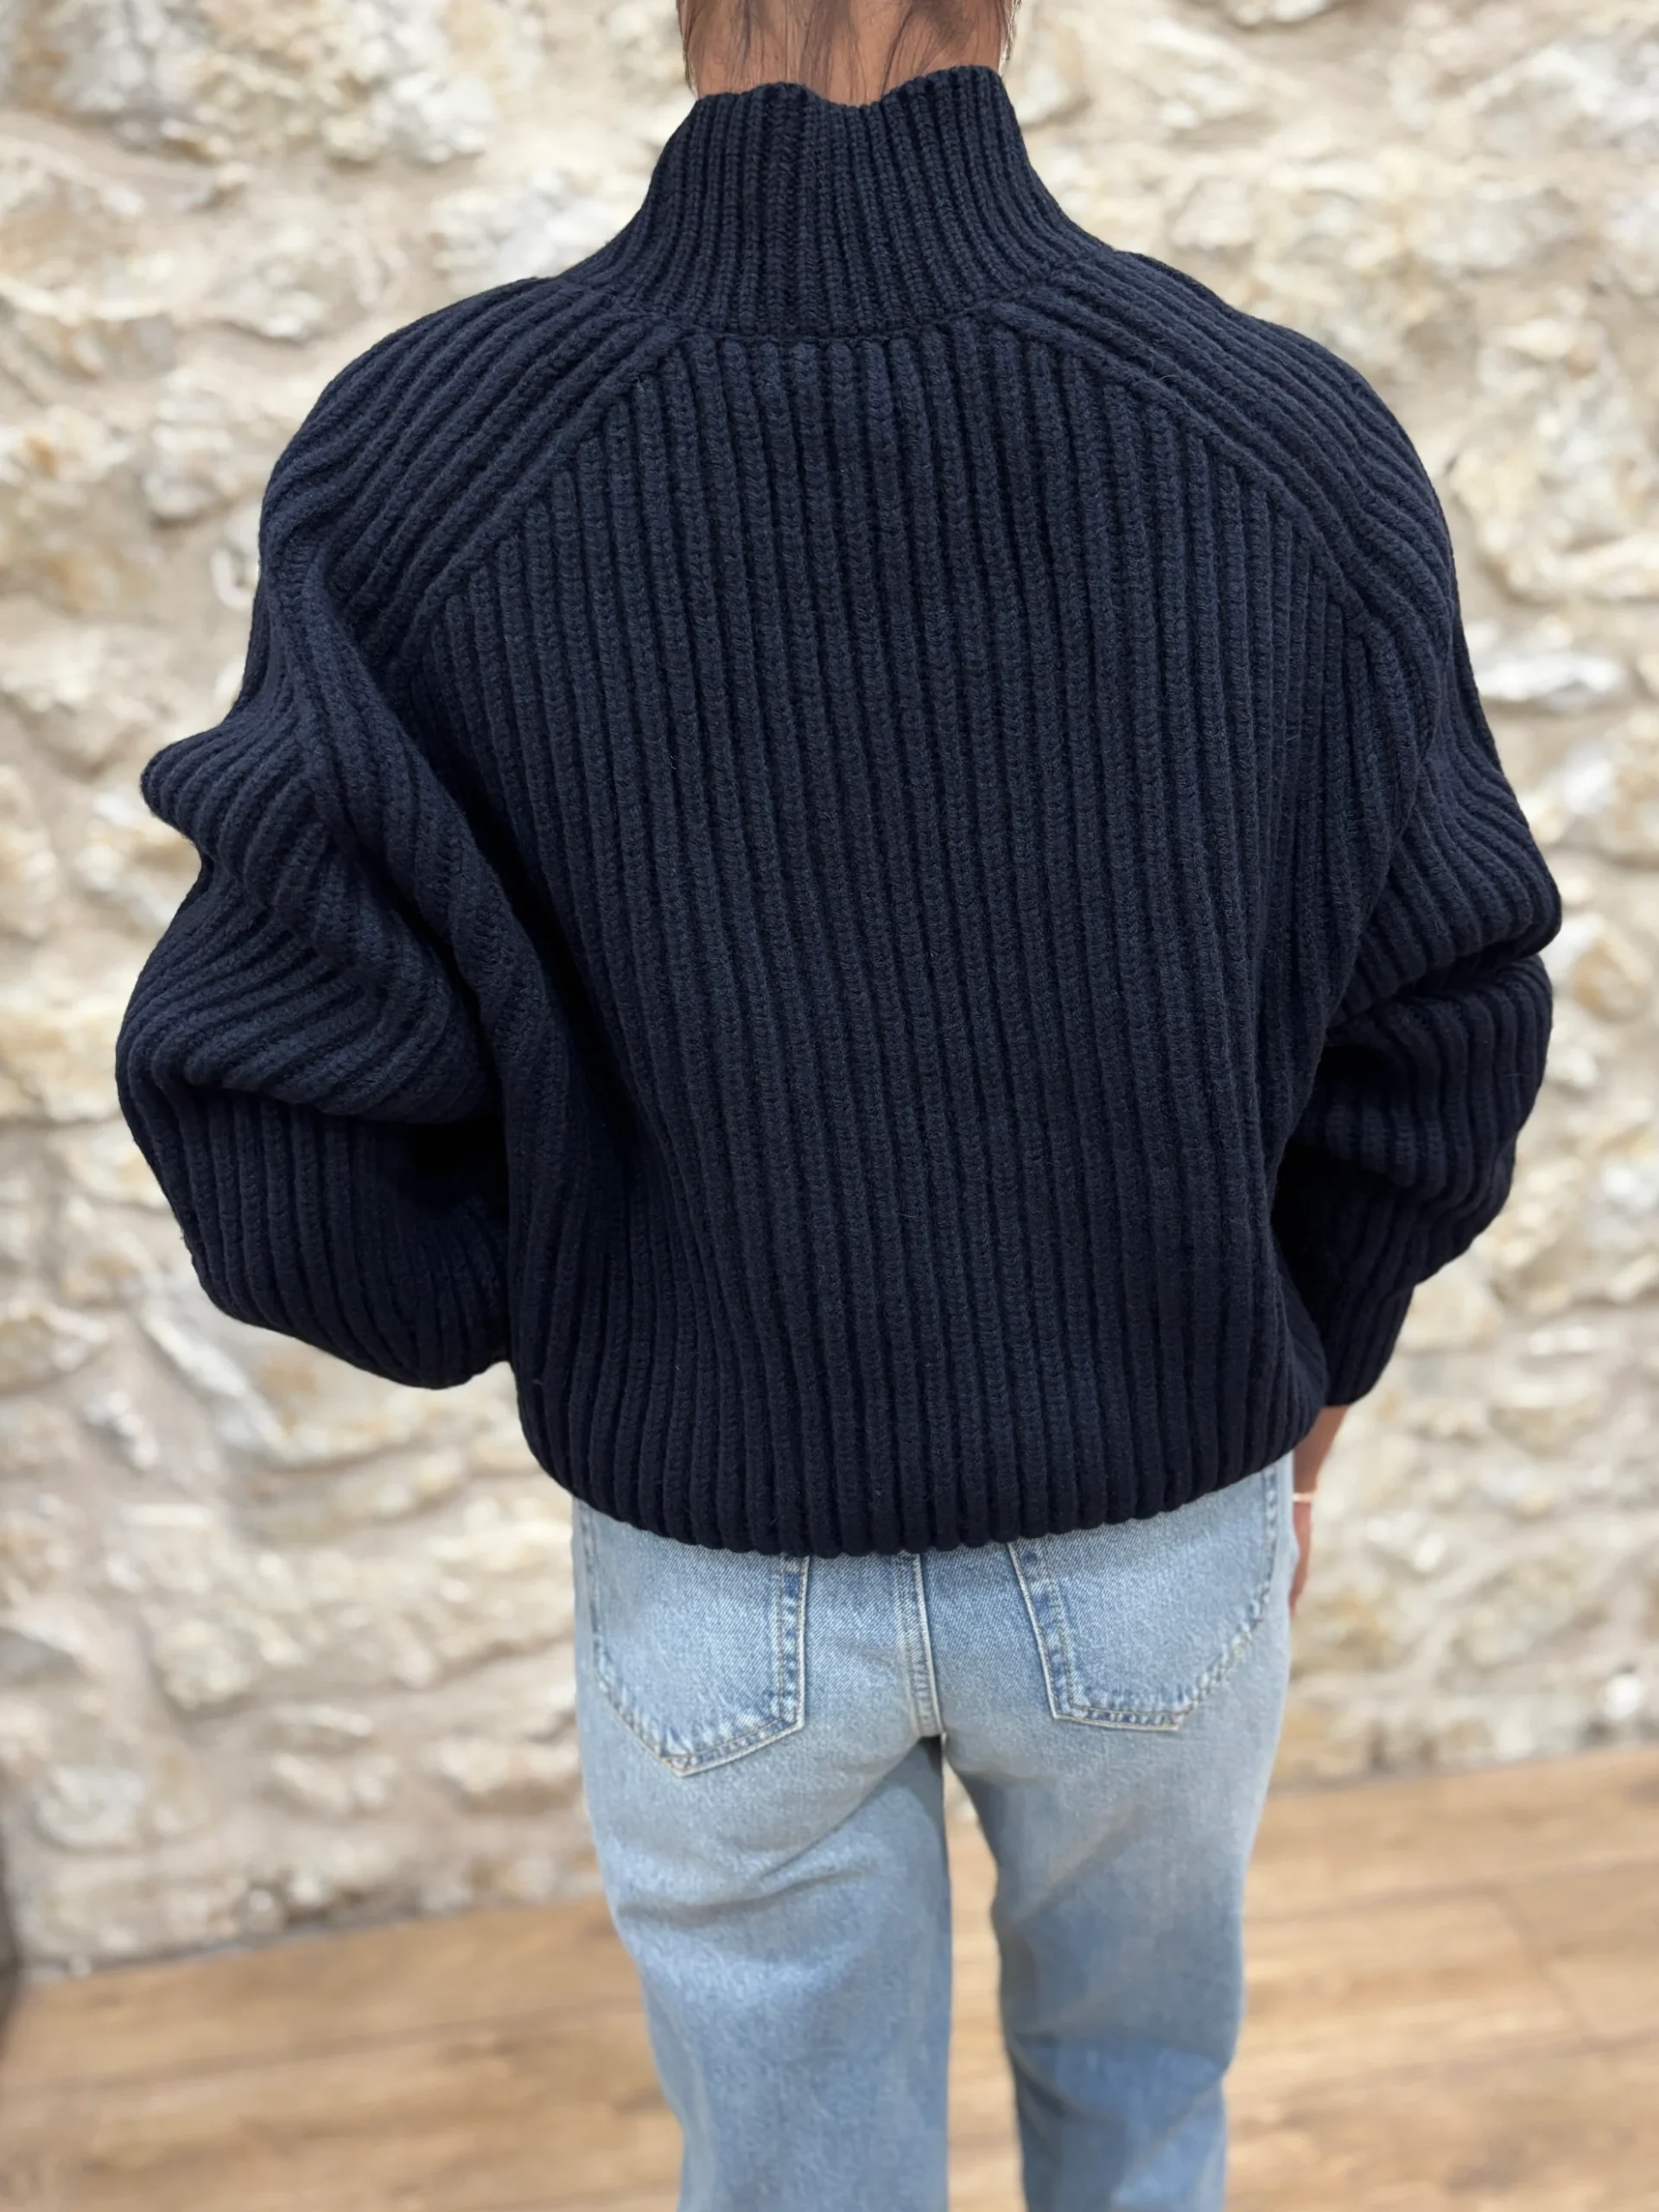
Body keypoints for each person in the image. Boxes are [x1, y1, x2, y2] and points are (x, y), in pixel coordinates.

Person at [114, 1, 1560, 2205]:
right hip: (1162, 1535)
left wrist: (589, 1289)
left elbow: (274, 1116)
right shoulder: (1283, 439)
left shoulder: (421, 464)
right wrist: (1309, 1376)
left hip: (720, 1574)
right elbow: (1441, 1026)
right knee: (1145, 2101)